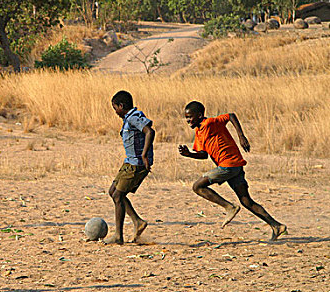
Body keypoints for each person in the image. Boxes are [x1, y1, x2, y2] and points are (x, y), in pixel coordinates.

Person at [178, 101, 287, 241]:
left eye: (190, 117)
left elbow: (231, 116)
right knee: (246, 201)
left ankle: (229, 207)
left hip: (228, 165)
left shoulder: (211, 123)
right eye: (186, 118)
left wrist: (241, 136)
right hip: (235, 166)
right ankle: (277, 226)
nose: (187, 121)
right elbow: (203, 154)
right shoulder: (199, 132)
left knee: (197, 186)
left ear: (199, 115)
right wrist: (189, 154)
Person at [106, 90, 155, 244]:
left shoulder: (133, 117)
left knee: (118, 196)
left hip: (136, 164)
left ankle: (118, 236)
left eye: (115, 108)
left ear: (121, 105)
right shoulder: (129, 118)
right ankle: (137, 221)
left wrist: (145, 154)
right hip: (129, 162)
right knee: (113, 192)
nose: (115, 112)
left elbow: (149, 132)